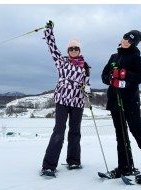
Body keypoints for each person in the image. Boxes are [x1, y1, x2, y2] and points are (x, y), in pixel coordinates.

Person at [101, 30, 141, 185]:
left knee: (138, 134)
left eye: (130, 41)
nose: (126, 41)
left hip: (129, 101)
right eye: (125, 38)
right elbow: (103, 76)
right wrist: (111, 78)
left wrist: (124, 75)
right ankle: (125, 167)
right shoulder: (114, 57)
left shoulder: (136, 57)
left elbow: (140, 77)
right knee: (121, 136)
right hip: (115, 101)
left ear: (134, 43)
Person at [40, 21, 91, 177]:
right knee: (59, 131)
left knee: (75, 132)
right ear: (68, 50)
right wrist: (49, 31)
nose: (74, 50)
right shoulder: (61, 62)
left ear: (79, 50)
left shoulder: (85, 66)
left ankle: (74, 161)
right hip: (62, 100)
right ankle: (49, 165)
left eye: (76, 48)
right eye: (71, 48)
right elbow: (52, 47)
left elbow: (87, 85)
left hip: (77, 102)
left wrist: (87, 89)